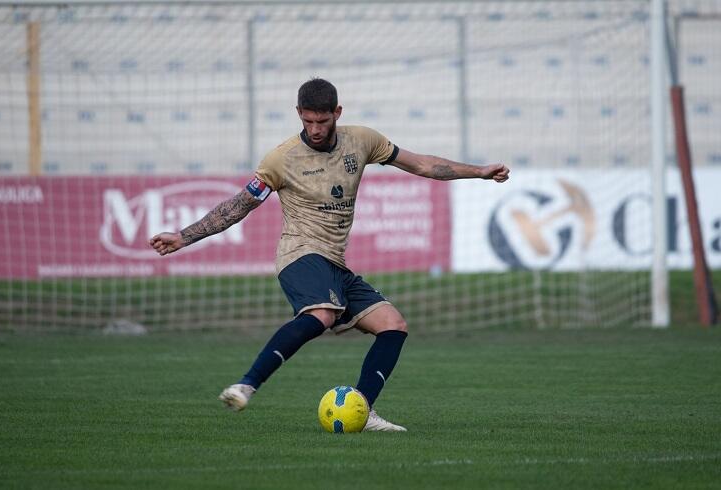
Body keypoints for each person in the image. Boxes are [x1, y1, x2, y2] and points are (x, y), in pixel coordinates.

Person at [150, 78, 509, 431]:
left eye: (322, 121)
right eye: (307, 121)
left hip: (335, 263)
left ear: (337, 112)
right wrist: (184, 237)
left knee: (393, 325)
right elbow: (239, 205)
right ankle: (246, 385)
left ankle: (364, 410)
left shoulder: (363, 140)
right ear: (298, 114)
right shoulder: (281, 159)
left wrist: (478, 172)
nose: (315, 129)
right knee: (322, 313)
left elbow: (422, 165)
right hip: (299, 254)